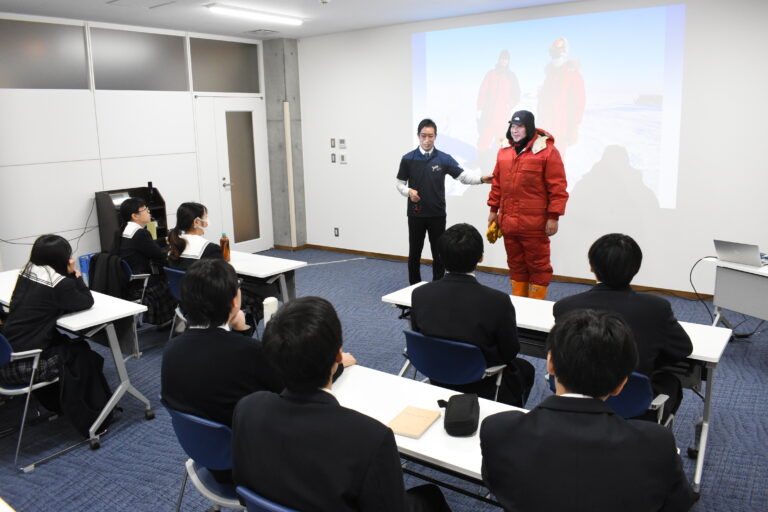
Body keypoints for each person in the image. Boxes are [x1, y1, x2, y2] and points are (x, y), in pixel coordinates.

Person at [232, 296, 450, 512]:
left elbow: (244, 492)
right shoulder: (370, 437)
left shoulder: (247, 409)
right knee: (430, 496)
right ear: (338, 355)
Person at [480, 309, 696, 512]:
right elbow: (678, 505)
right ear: (621, 384)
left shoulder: (498, 430)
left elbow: (497, 485)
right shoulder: (656, 445)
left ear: (550, 364)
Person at [161, 258, 284, 482]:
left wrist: (240, 330)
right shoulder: (251, 353)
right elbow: (294, 387)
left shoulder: (171, 350)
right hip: (254, 467)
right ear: (235, 301)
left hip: (208, 460)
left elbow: (221, 364)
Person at [553, 233, 692, 418]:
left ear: (591, 267)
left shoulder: (565, 306)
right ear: (636, 268)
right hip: (632, 405)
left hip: (575, 396)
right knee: (670, 381)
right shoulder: (656, 308)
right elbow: (682, 349)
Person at [410, 223, 534, 407]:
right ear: (481, 257)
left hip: (434, 371)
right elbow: (509, 351)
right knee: (526, 369)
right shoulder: (497, 301)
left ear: (440, 257)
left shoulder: (419, 294)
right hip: (480, 381)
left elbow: (417, 332)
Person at [0, 235, 95, 410]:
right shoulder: (59, 284)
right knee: (82, 352)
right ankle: (84, 409)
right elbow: (86, 301)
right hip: (25, 364)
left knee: (66, 343)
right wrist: (76, 275)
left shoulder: (27, 272)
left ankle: (57, 402)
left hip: (6, 355)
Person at [397, 118, 492, 285]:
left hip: (437, 214)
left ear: (435, 137)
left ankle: (438, 285)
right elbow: (399, 184)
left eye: (430, 136)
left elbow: (463, 176)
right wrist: (408, 191)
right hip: (416, 214)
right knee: (415, 252)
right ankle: (413, 286)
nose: (427, 140)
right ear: (418, 136)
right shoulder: (408, 159)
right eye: (423, 136)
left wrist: (482, 179)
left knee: (439, 253)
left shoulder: (444, 158)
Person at [487, 110, 568, 299]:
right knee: (515, 265)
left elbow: (557, 188)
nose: (515, 130)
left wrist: (553, 217)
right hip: (508, 222)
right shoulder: (504, 152)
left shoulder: (547, 152)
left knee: (538, 266)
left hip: (534, 224)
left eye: (520, 126)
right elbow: (497, 183)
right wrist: (493, 210)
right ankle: (520, 306)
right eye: (513, 126)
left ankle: (535, 309)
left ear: (529, 127)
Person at [116, 197, 175, 325]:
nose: (149, 212)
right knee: (174, 278)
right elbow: (158, 254)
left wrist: (164, 241)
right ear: (135, 216)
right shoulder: (140, 234)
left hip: (130, 281)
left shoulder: (125, 230)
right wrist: (172, 248)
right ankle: (170, 320)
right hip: (143, 283)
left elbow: (147, 245)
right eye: (145, 210)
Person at [537, 37, 586, 158]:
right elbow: (542, 102)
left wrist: (574, 127)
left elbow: (578, 103)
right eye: (553, 53)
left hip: (561, 127)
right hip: (545, 127)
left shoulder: (572, 74)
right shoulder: (549, 75)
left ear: (565, 53)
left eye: (559, 52)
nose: (556, 56)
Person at [476, 50, 520, 154]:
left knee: (502, 140)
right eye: (502, 58)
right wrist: (479, 108)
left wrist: (510, 104)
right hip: (488, 113)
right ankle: (481, 159)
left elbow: (517, 93)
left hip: (502, 115)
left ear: (508, 61)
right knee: (484, 138)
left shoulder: (511, 76)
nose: (504, 61)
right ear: (499, 59)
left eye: (506, 59)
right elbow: (483, 91)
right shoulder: (491, 74)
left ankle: (501, 162)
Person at [166, 202, 222, 270]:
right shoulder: (212, 250)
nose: (207, 221)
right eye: (206, 217)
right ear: (196, 222)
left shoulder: (173, 248)